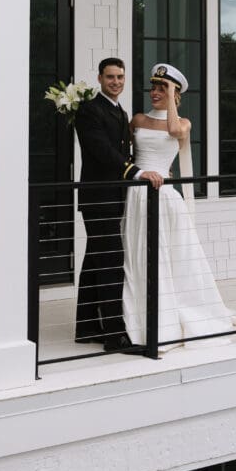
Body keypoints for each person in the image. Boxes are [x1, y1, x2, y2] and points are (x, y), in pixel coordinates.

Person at [122, 63, 236, 348]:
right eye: (154, 87)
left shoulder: (183, 122)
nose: (155, 92)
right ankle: (139, 320)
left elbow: (174, 130)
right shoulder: (137, 119)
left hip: (163, 196)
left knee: (168, 256)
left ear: (174, 93)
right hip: (137, 194)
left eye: (163, 88)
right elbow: (126, 154)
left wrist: (172, 97)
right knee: (137, 256)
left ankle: (169, 320)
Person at [74, 57, 163, 352]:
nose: (116, 82)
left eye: (120, 77)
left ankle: (86, 326)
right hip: (98, 199)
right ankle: (115, 336)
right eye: (110, 77)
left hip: (114, 197)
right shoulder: (89, 109)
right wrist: (136, 172)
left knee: (94, 260)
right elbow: (102, 152)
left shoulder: (118, 110)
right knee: (111, 262)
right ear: (99, 78)